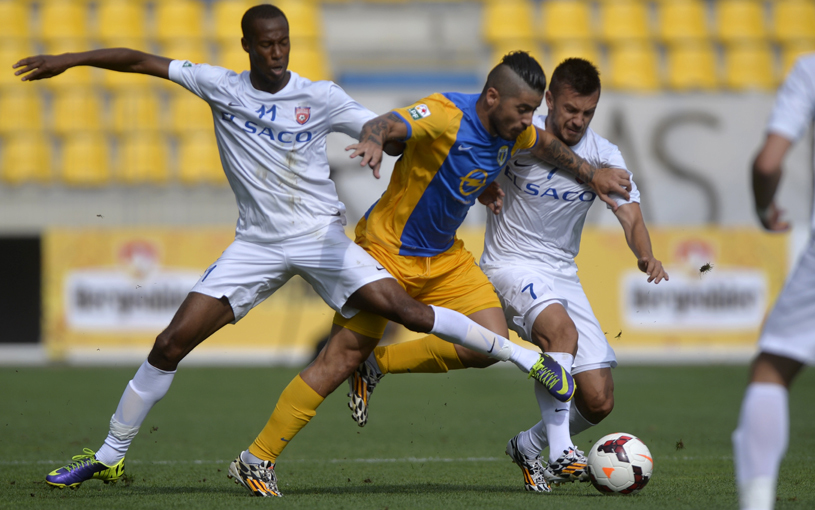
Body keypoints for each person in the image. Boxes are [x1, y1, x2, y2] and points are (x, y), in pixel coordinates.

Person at [14, 5, 609, 495]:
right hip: (260, 243)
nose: (277, 53)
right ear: (247, 45)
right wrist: (69, 59)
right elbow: (143, 60)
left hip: (325, 237)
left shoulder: (318, 96)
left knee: (394, 317)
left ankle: (516, 367)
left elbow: (375, 123)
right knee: (173, 342)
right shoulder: (219, 85)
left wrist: (383, 141)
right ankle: (112, 454)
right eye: (267, 45)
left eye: (285, 43)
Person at [236, 52, 635, 496]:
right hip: (387, 253)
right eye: (523, 110)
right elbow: (388, 124)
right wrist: (373, 139)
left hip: (445, 259)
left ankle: (378, 364)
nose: (529, 120)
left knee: (487, 343)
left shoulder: (514, 132)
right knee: (338, 359)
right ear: (492, 97)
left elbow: (545, 145)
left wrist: (591, 173)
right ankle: (257, 458)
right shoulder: (446, 113)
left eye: (532, 110)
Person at [347, 58, 667, 493]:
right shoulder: (516, 127)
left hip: (562, 274)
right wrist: (483, 185)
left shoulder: (604, 155)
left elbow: (630, 216)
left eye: (588, 113)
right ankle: (560, 451)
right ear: (549, 100)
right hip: (509, 264)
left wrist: (646, 255)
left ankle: (528, 445)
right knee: (562, 335)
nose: (578, 120)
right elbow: (462, 161)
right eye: (571, 109)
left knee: (597, 399)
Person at [732, 53, 815, 510]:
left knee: (772, 369)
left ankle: (758, 502)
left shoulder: (810, 68)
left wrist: (765, 210)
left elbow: (767, 164)